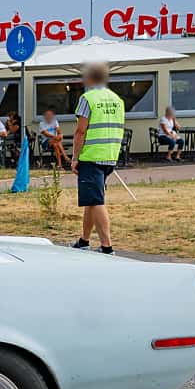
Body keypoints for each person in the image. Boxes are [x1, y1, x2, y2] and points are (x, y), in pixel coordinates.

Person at [71, 62, 123, 253]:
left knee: (96, 201)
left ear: (90, 78)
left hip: (91, 155)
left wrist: (75, 157)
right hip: (110, 155)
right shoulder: (117, 99)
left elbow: (80, 131)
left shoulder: (88, 98)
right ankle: (84, 240)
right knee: (91, 198)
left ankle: (107, 246)